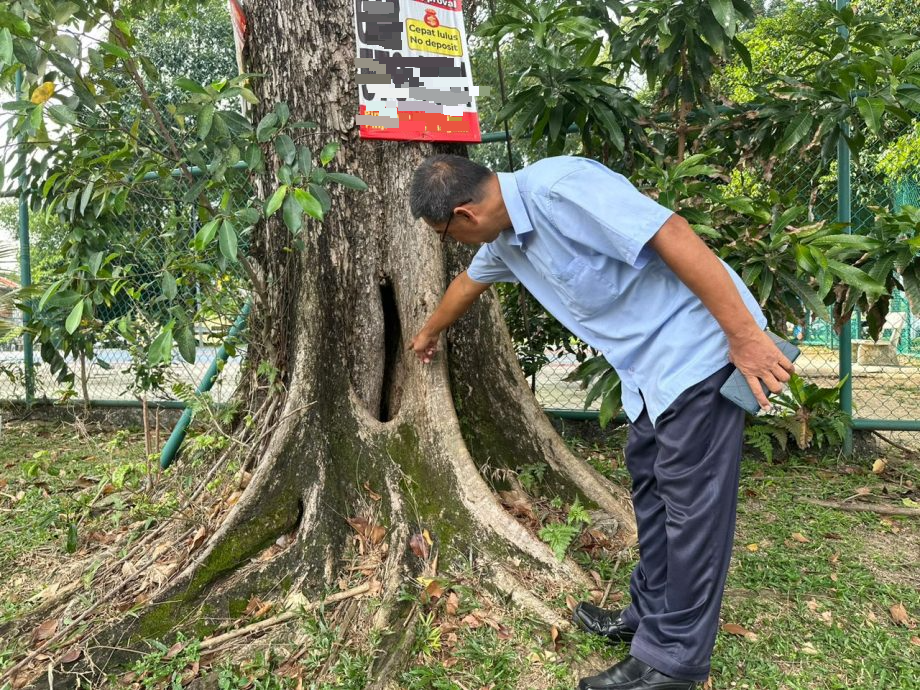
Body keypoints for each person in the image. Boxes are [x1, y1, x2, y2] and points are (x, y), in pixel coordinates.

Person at [407, 154, 794, 690]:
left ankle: (671, 662)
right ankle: (646, 620)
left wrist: (746, 338)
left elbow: (673, 234)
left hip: (698, 352)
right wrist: (427, 335)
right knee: (653, 495)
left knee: (691, 514)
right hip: (648, 379)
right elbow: (465, 289)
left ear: (466, 215)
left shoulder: (561, 188)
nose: (454, 245)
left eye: (446, 234)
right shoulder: (506, 244)